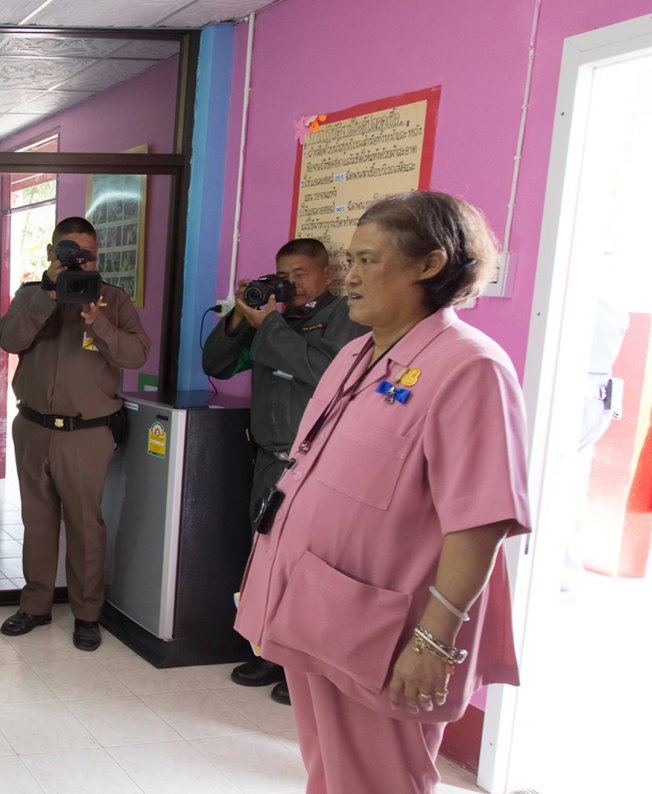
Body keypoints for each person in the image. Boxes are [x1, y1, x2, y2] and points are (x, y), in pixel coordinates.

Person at [235, 191, 530, 793]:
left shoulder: (471, 367)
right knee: (333, 774)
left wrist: (432, 642)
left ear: (429, 264)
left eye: (369, 260)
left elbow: (480, 522)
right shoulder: (354, 356)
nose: (350, 277)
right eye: (350, 260)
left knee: (379, 782)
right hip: (320, 609)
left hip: (385, 633)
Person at [201, 237, 365, 703]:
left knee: (309, 568)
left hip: (318, 464)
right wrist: (239, 317)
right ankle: (269, 651)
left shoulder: (346, 318)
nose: (291, 284)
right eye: (284, 274)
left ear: (327, 274)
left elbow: (324, 370)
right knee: (266, 559)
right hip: (270, 460)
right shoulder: (270, 316)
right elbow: (216, 363)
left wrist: (269, 323)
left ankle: (304, 667)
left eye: (301, 274)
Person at [0, 216, 148, 651]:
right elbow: (10, 339)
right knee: (38, 521)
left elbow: (136, 354)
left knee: (85, 525)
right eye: (69, 252)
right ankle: (36, 606)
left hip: (87, 433)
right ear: (50, 253)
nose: (79, 261)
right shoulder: (31, 295)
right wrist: (47, 294)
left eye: (88, 255)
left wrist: (96, 322)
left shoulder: (113, 300)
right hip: (33, 428)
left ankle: (86, 614)